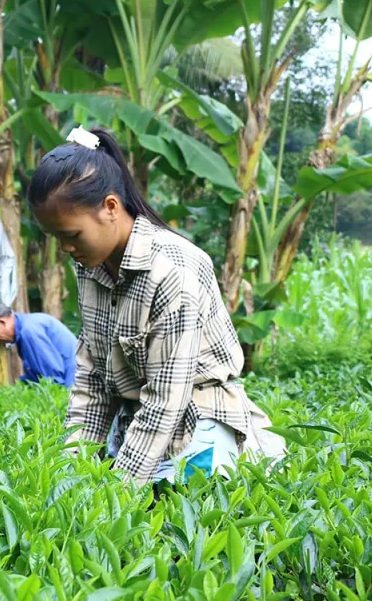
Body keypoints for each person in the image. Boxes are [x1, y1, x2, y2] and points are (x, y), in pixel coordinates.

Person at [27, 125, 284, 484]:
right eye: (56, 238)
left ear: (111, 207)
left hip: (197, 423)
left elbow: (167, 400)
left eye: (71, 236)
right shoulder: (90, 265)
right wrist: (71, 469)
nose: (65, 249)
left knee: (170, 520)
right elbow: (92, 379)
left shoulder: (173, 270)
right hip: (135, 423)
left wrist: (120, 490)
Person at [0, 304, 77, 388]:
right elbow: (36, 375)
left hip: (74, 380)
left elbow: (53, 378)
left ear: (2, 322)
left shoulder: (29, 331)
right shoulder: (27, 326)